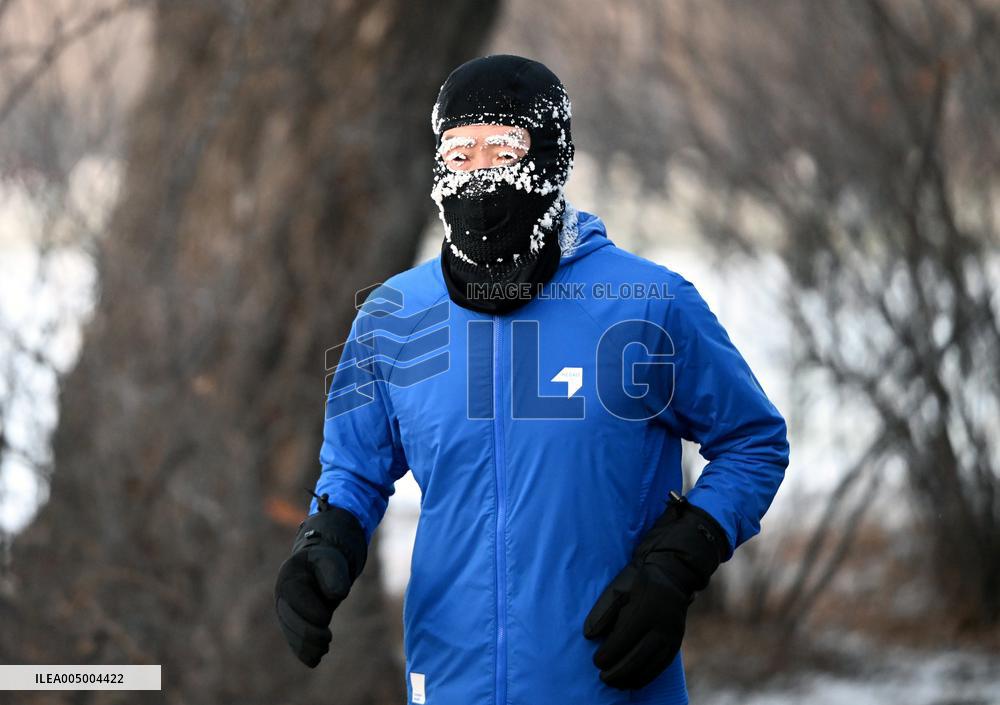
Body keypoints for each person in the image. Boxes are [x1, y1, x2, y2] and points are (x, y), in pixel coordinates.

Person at [274, 54, 789, 705]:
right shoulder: (394, 315)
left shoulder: (647, 303)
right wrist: (327, 539)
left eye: (503, 149)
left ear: (550, 158)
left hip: (606, 679)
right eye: (459, 156)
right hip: (449, 679)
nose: (479, 174)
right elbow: (352, 465)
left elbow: (754, 440)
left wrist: (680, 560)